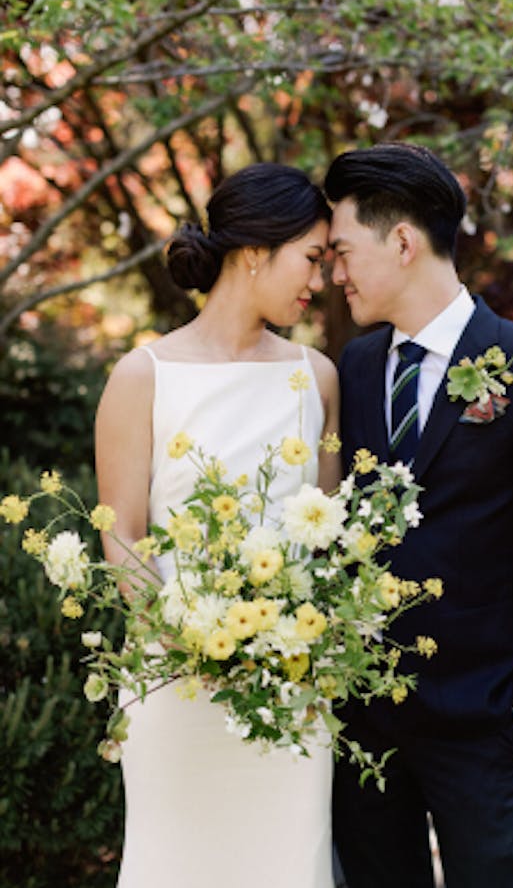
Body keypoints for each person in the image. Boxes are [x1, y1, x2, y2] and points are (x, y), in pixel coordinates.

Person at [325, 143, 513, 888]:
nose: (336, 272)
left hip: (482, 722)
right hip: (365, 717)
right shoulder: (351, 365)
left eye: (345, 251)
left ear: (404, 242)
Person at [94, 163, 339, 888]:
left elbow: (323, 539)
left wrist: (288, 641)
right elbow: (122, 531)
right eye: (312, 259)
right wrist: (189, 639)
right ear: (257, 250)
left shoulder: (316, 376)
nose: (319, 281)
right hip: (175, 686)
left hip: (292, 686)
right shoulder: (142, 376)